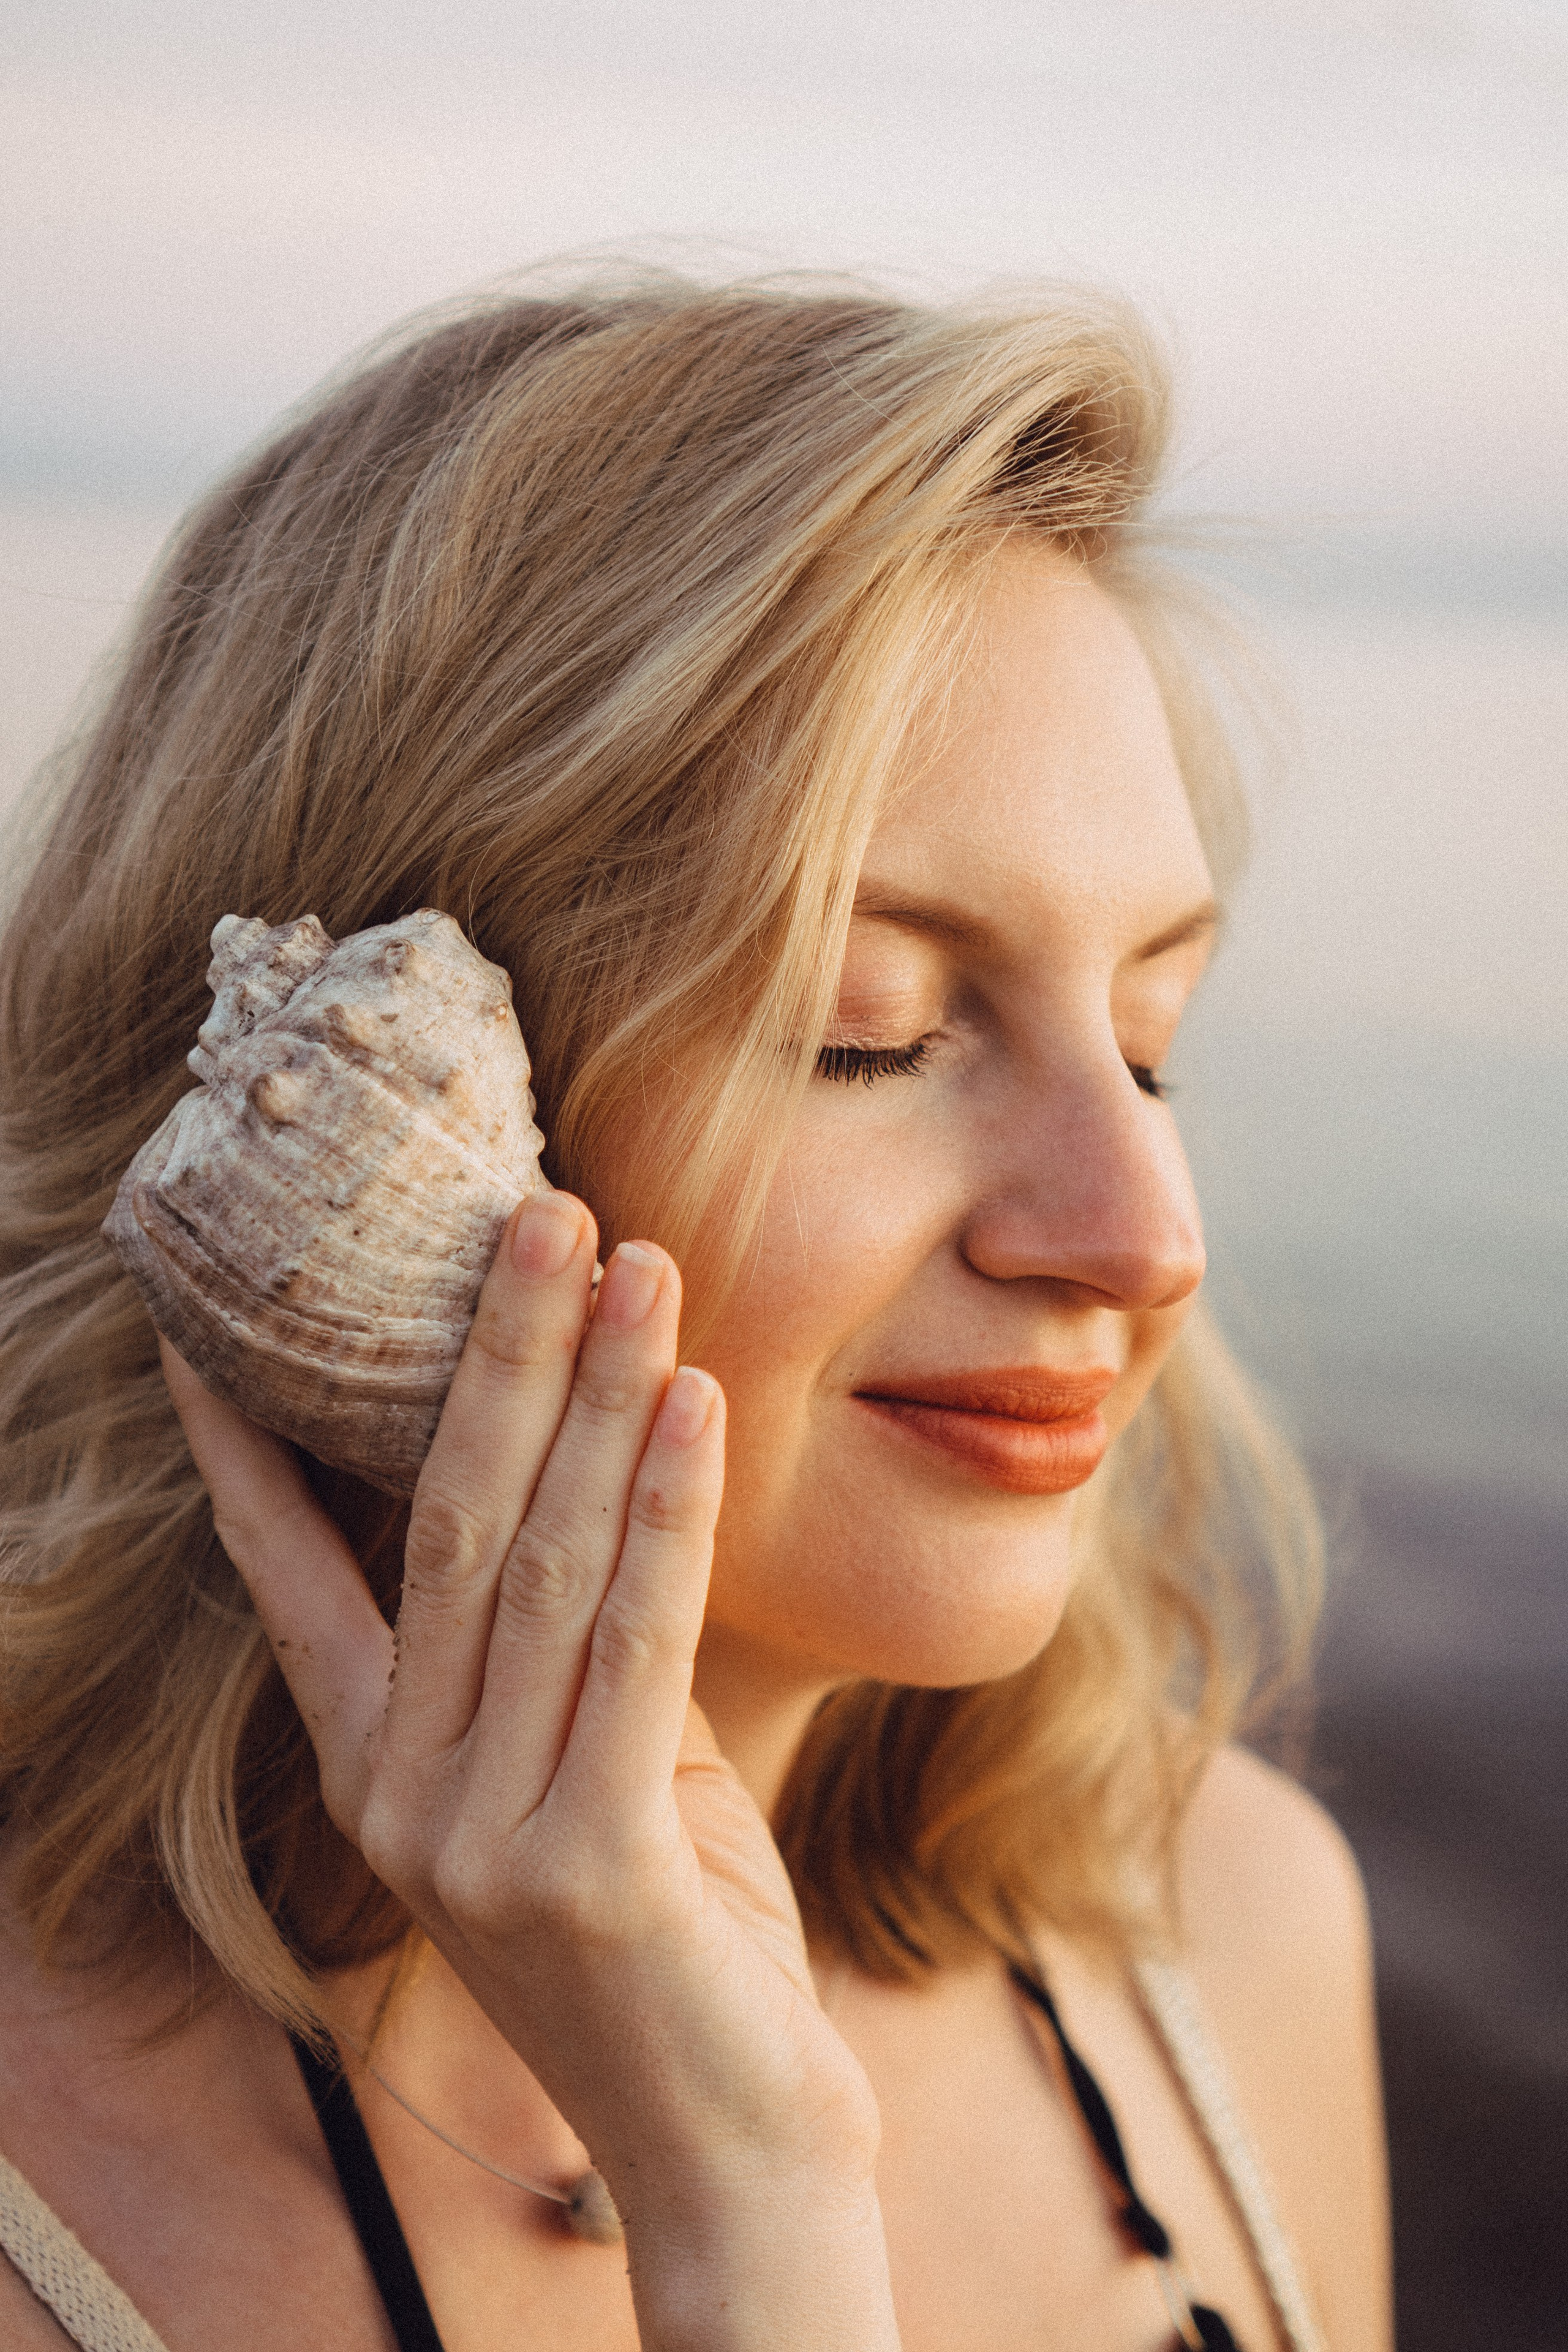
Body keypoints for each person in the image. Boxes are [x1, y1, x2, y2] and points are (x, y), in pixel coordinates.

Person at [0, 277, 1391, 2352]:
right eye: (873, 1030)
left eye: (1153, 1040)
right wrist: (742, 2214)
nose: (1142, 1235)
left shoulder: (1228, 1928)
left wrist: (757, 2201)